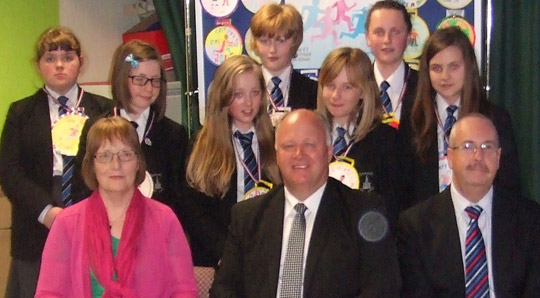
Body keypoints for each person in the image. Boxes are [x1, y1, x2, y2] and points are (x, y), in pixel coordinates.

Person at [210, 109, 400, 298]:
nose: (298, 154)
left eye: (309, 145)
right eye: (288, 146)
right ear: (276, 155)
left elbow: (382, 288)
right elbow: (222, 290)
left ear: (328, 151)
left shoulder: (364, 212)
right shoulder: (247, 217)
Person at [0, 27, 113, 298]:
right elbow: (9, 172)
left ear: (80, 62)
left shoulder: (104, 110)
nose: (59, 64)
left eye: (67, 57)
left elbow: (112, 166)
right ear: (38, 65)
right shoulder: (21, 112)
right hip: (36, 223)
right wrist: (46, 212)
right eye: (50, 58)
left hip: (90, 221)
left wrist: (82, 214)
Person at [35, 116, 198, 297]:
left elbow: (184, 291)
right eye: (105, 156)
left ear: (138, 162)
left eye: (125, 154)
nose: (116, 165)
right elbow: (49, 293)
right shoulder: (66, 224)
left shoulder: (165, 219)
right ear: (92, 165)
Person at [397, 114, 540, 297]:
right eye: (468, 146)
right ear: (450, 157)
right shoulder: (416, 225)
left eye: (487, 147)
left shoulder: (528, 218)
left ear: (498, 157)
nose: (478, 156)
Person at [398, 27, 520, 208]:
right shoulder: (414, 119)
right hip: (428, 226)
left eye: (453, 67)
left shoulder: (494, 118)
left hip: (480, 220)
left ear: (469, 67)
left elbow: (509, 184)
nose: (445, 76)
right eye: (436, 68)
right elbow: (403, 186)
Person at [182, 55, 281, 267]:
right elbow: (195, 213)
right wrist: (225, 254)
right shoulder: (203, 145)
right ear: (224, 97)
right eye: (238, 95)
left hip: (270, 257)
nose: (248, 103)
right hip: (220, 258)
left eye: (255, 93)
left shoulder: (276, 141)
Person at [72, 40, 189, 218]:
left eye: (155, 81)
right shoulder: (95, 128)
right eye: (140, 80)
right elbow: (82, 189)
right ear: (122, 78)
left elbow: (178, 200)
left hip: (155, 230)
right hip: (105, 227)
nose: (149, 88)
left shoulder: (173, 134)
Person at [317, 47, 403, 225]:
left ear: (364, 91)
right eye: (330, 85)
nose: (335, 95)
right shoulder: (310, 137)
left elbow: (392, 208)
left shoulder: (386, 140)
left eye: (347, 87)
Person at [250, 3, 318, 125]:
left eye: (280, 41)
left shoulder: (314, 91)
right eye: (264, 41)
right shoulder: (244, 88)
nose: (272, 50)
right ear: (255, 43)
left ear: (296, 41)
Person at [365, 0, 418, 127]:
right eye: (379, 32)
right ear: (367, 37)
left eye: (395, 32)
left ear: (409, 36)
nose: (387, 40)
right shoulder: (357, 85)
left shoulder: (424, 86)